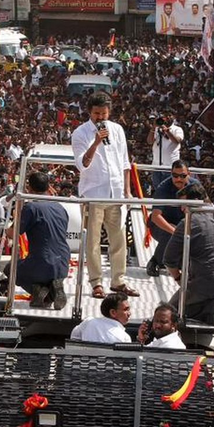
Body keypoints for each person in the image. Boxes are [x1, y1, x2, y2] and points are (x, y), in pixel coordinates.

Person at [71, 92, 137, 299]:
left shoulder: (117, 130)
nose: (101, 117)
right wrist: (96, 142)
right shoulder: (80, 133)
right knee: (93, 241)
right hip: (93, 193)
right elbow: (83, 164)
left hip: (115, 194)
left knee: (119, 240)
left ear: (109, 112)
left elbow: (125, 162)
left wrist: (127, 192)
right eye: (97, 113)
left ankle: (118, 281)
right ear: (89, 112)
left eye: (104, 113)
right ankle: (96, 282)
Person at [163, 183, 214, 325]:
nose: (182, 209)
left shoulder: (188, 222)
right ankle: (213, 305)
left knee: (167, 314)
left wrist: (179, 278)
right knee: (198, 293)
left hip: (204, 284)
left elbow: (169, 259)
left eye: (184, 204)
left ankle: (210, 310)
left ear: (195, 201)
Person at [14, 172, 70, 309]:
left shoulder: (31, 208)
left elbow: (12, 233)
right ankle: (53, 287)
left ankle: (43, 293)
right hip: (62, 262)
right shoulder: (60, 207)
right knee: (40, 270)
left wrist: (18, 212)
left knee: (11, 268)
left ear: (29, 188)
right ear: (48, 187)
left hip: (42, 262)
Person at [147, 160, 191, 276]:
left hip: (185, 223)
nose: (179, 179)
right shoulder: (163, 188)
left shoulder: (195, 185)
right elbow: (156, 217)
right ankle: (155, 261)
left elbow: (207, 205)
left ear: (189, 174)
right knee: (171, 233)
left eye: (182, 176)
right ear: (171, 174)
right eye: (175, 175)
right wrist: (176, 232)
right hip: (161, 225)